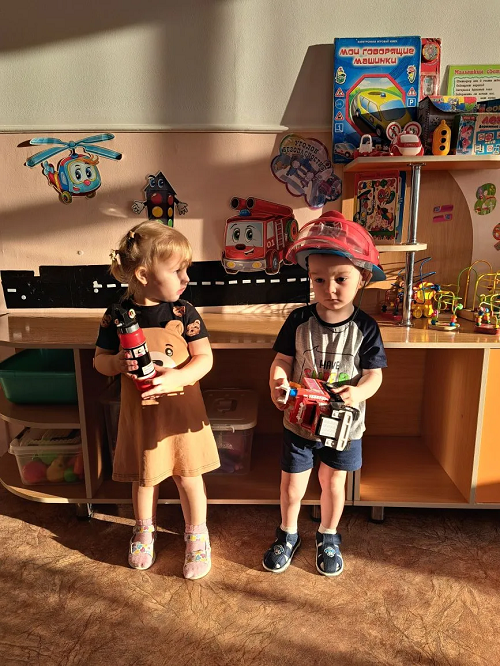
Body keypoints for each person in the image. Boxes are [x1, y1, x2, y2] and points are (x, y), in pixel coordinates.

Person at [263, 211, 387, 577]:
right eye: (318, 279)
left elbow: (375, 376)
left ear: (363, 278)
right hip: (299, 423)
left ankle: (328, 535)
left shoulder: (366, 328)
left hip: (343, 428)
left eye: (340, 279)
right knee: (292, 485)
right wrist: (278, 383)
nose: (329, 288)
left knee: (334, 483)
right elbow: (282, 360)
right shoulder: (298, 320)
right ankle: (287, 532)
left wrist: (357, 393)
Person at [94, 220, 220, 580]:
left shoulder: (183, 312)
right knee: (144, 478)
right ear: (144, 274)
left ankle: (197, 534)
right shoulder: (117, 314)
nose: (186, 278)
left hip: (181, 413)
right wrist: (116, 363)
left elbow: (205, 358)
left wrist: (178, 376)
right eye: (177, 270)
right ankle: (143, 530)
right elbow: (99, 361)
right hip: (142, 416)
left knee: (188, 476)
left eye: (186, 270)